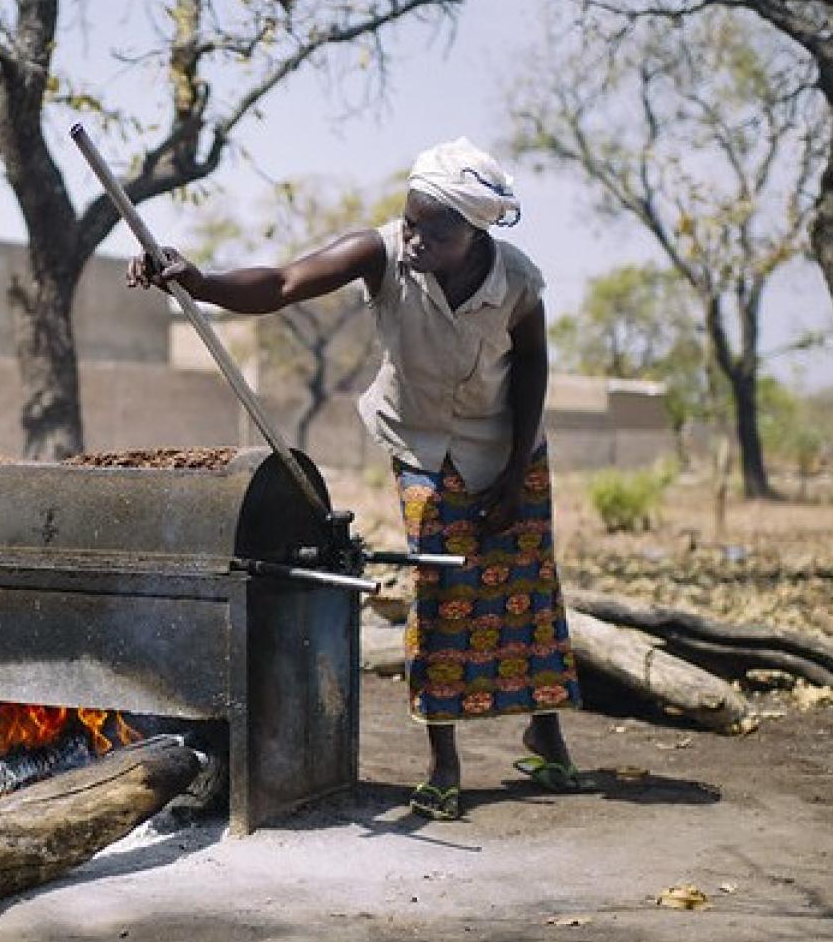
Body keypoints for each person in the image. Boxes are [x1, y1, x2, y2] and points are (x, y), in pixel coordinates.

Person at [127, 138, 583, 822]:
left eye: (435, 233)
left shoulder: (517, 281)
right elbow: (283, 283)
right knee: (440, 594)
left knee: (528, 590)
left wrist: (516, 472)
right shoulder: (382, 253)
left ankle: (545, 735)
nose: (415, 239)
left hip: (509, 446)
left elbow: (533, 368)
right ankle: (444, 762)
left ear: (474, 233)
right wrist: (200, 281)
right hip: (424, 447)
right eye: (411, 221)